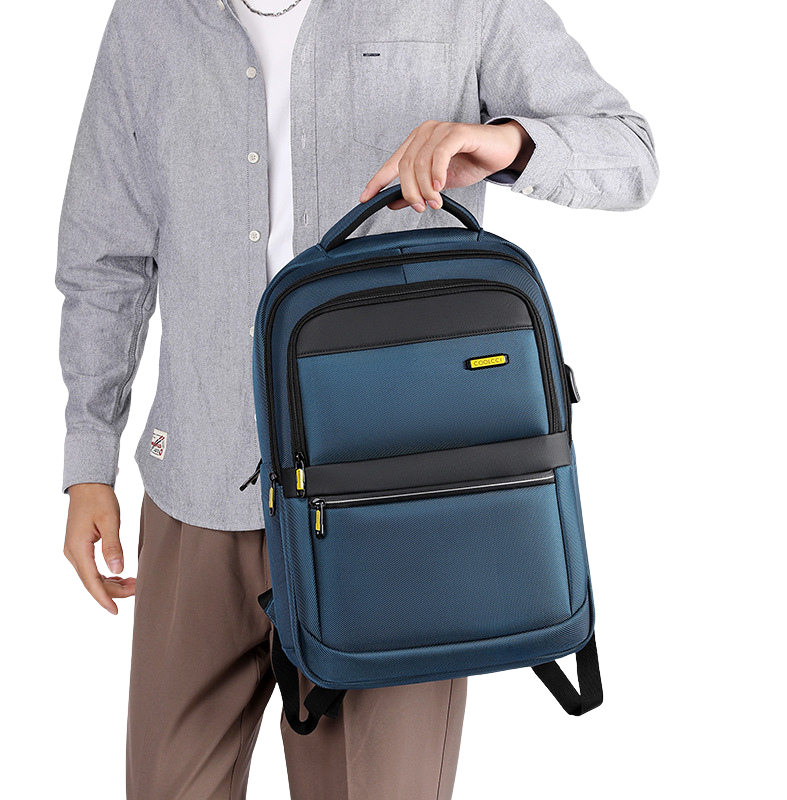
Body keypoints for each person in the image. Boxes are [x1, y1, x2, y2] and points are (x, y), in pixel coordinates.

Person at [55, 0, 658, 798]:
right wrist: (88, 460)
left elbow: (630, 155)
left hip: (395, 513)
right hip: (197, 491)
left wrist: (505, 142)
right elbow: (106, 255)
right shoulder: (150, 19)